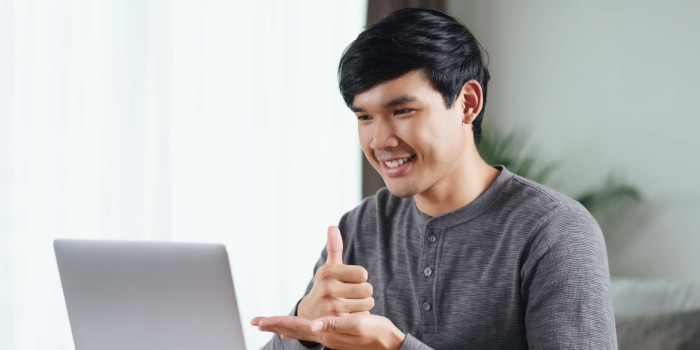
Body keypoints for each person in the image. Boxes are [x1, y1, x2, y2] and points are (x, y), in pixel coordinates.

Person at [251, 8, 617, 350]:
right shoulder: (362, 227)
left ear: (468, 103)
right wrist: (305, 324)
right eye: (365, 118)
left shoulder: (555, 231)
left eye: (403, 110)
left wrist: (397, 347)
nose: (380, 141)